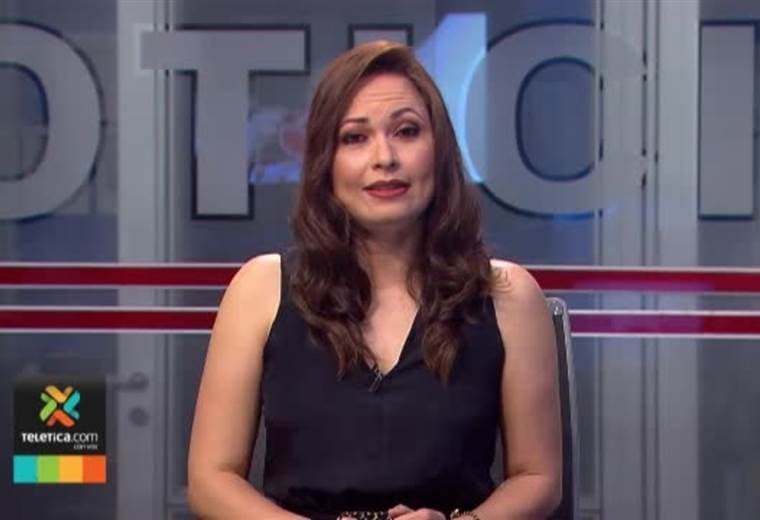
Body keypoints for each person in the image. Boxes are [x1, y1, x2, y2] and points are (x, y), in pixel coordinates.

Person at [187, 40, 562, 520]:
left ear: (440, 151)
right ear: (325, 161)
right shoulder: (260, 290)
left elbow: (537, 477)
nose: (384, 157)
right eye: (355, 138)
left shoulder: (509, 296)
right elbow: (211, 479)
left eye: (406, 131)